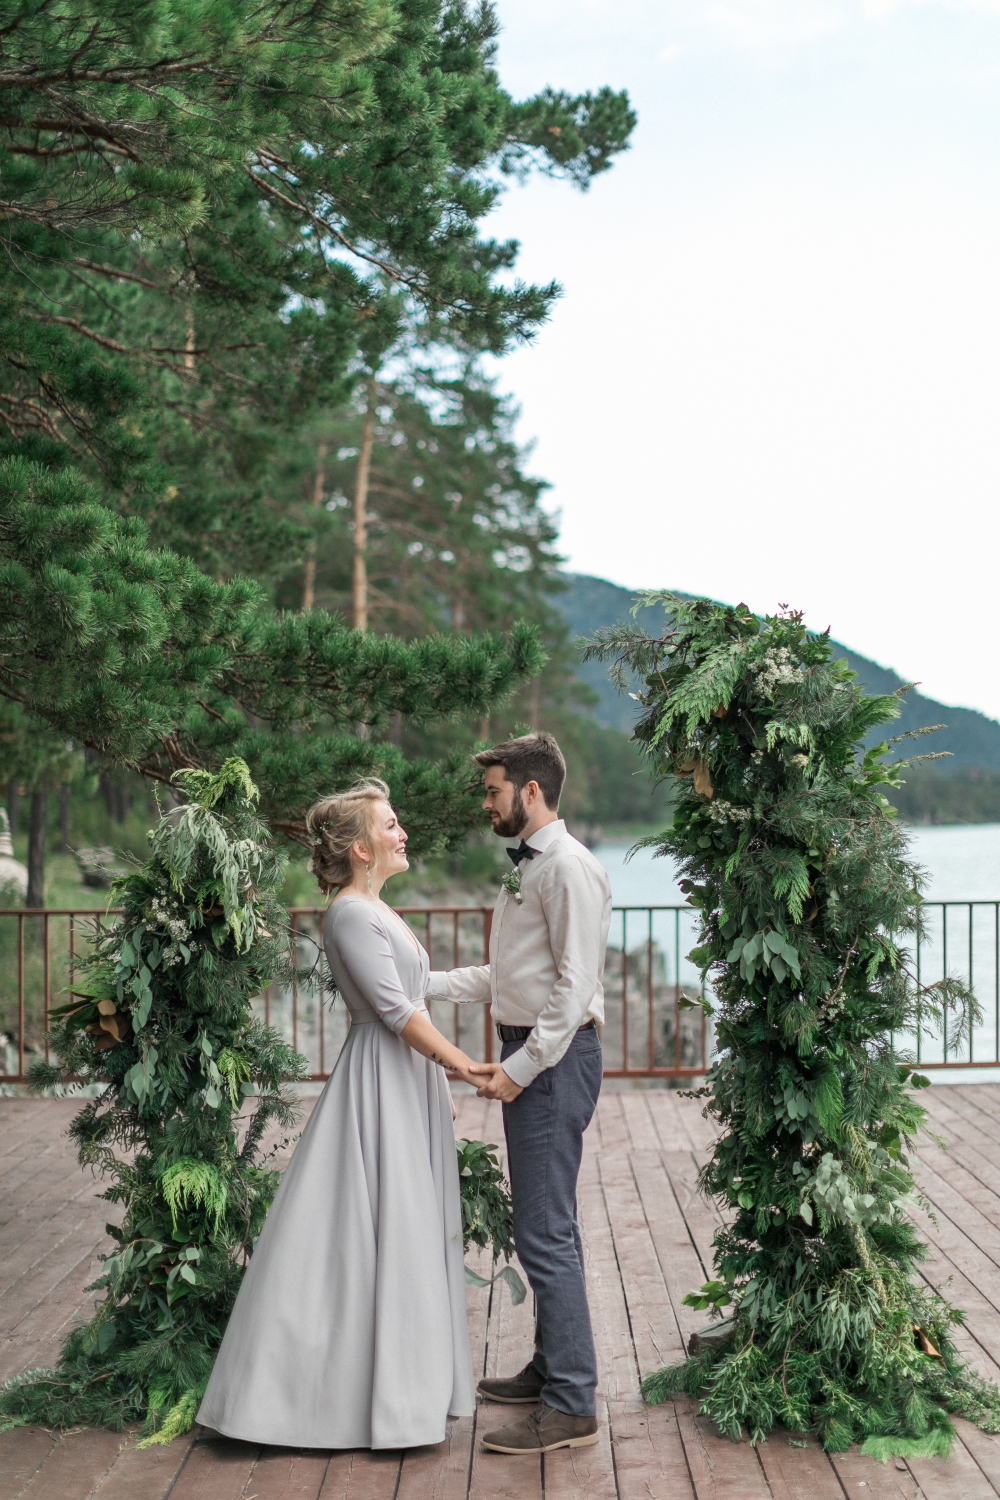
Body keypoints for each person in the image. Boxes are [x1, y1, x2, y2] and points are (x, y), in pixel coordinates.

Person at [197, 778, 477, 1450]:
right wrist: (464, 1065)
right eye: (390, 825)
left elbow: (416, 986)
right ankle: (350, 1399)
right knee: (374, 1230)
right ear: (358, 848)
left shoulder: (374, 910)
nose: (402, 833)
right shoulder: (351, 914)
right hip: (380, 1084)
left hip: (402, 1082)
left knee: (401, 1226)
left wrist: (499, 976)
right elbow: (397, 1011)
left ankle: (403, 1389)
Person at [429, 732, 613, 1456]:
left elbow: (573, 992)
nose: (488, 802)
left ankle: (571, 1402)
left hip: (554, 1061)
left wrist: (521, 1068)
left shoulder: (569, 869)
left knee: (545, 1232)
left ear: (530, 792)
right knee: (544, 1222)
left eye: (494, 790)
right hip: (535, 1052)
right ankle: (550, 1370)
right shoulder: (531, 870)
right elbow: (504, 978)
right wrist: (419, 987)